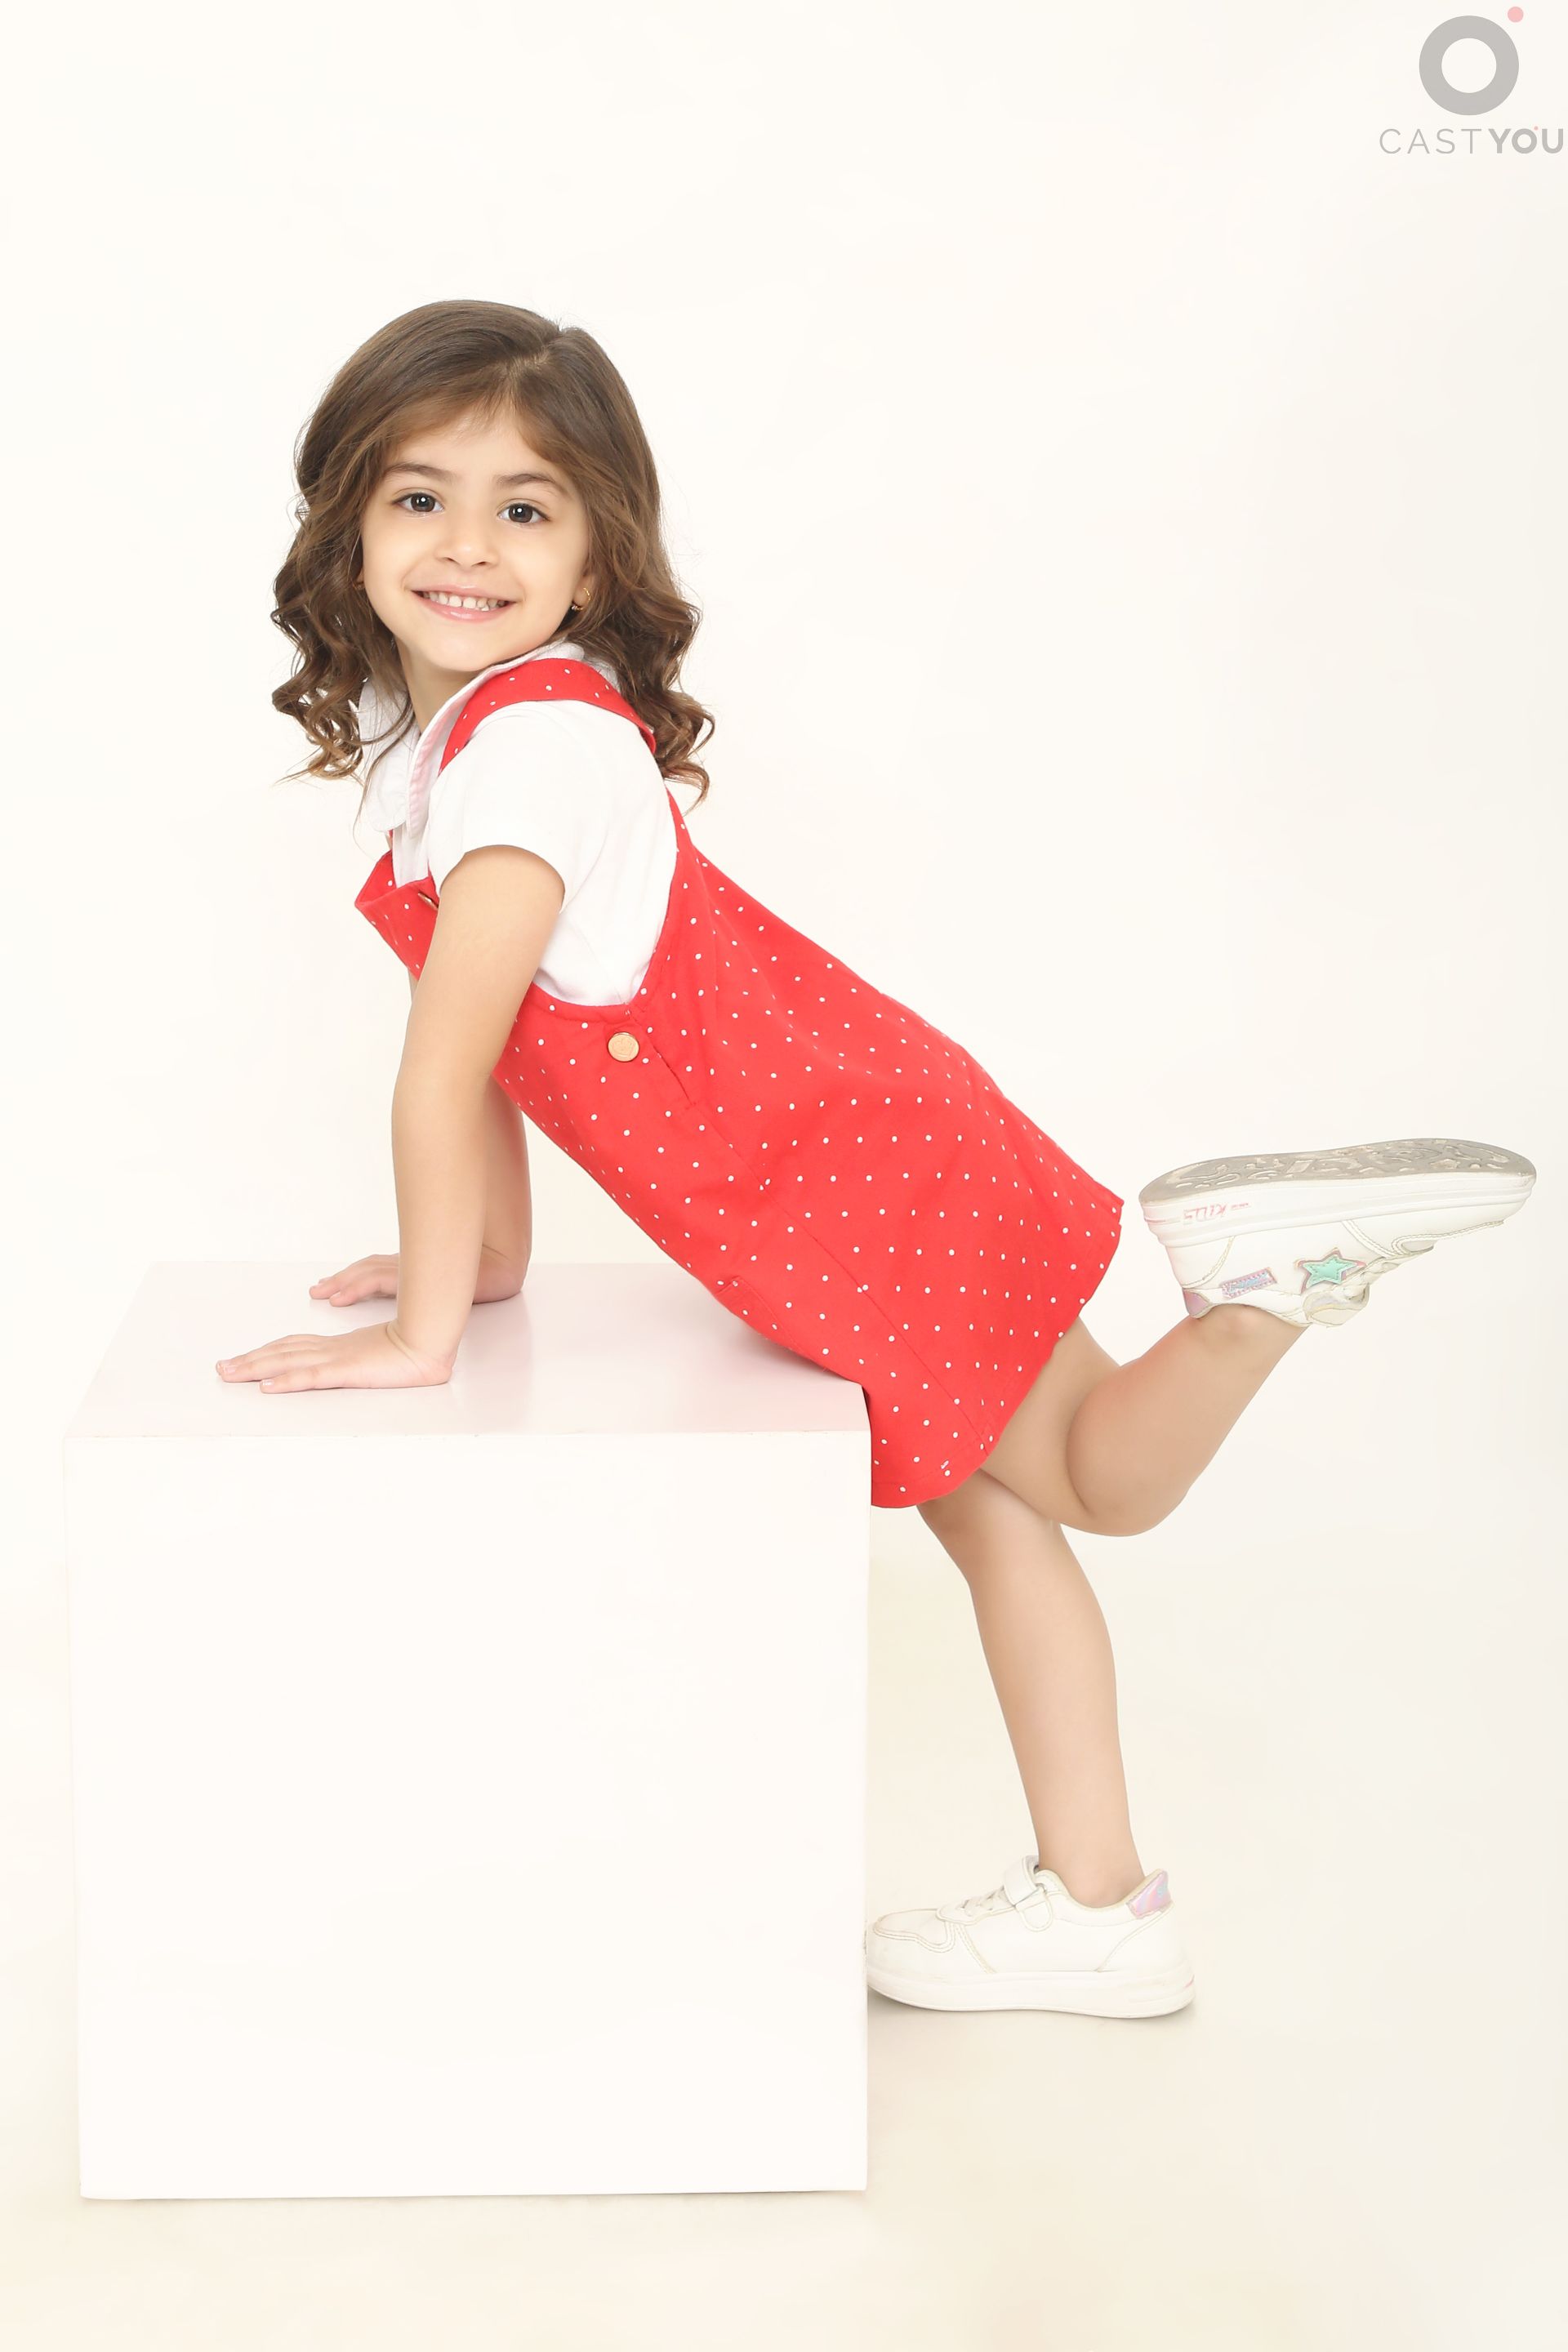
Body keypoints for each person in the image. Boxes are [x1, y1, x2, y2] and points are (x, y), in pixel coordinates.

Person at [218, 300, 1535, 2020]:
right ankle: (1101, 1903)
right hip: (858, 1143)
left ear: (598, 554)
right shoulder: (467, 743)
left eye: (524, 507)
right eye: (420, 497)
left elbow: (448, 1062)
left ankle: (1260, 1303)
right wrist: (486, 1263)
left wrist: (422, 1340)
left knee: (1085, 1490)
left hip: (837, 1175)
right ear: (347, 524)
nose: (467, 545)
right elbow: (496, 1056)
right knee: (1005, 1511)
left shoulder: (526, 754)